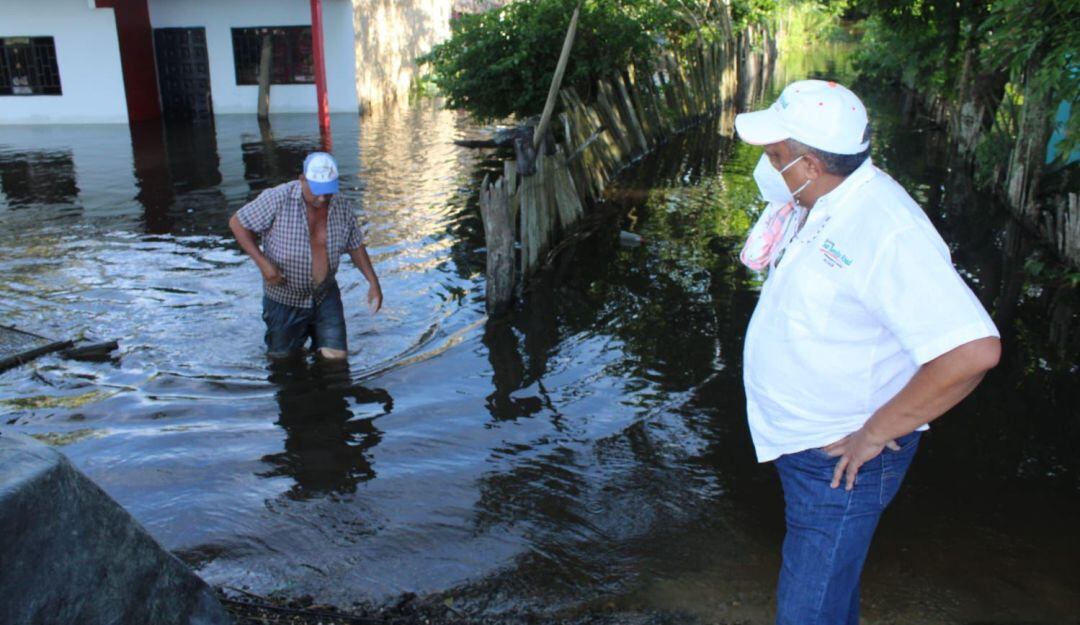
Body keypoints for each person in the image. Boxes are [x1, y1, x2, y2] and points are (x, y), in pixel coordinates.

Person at [734, 80, 1001, 624]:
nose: (767, 164)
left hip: (839, 459)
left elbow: (972, 351)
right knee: (830, 591)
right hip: (805, 443)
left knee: (808, 610)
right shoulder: (825, 199)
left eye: (776, 155)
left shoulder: (886, 229)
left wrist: (876, 432)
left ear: (811, 165)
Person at [229, 152, 382, 360]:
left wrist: (373, 282)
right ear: (302, 179)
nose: (322, 198)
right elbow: (238, 223)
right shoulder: (278, 198)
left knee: (336, 358)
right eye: (317, 191)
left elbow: (355, 244)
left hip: (325, 294)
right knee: (284, 360)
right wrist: (263, 264)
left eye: (327, 192)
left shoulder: (341, 205)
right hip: (284, 298)